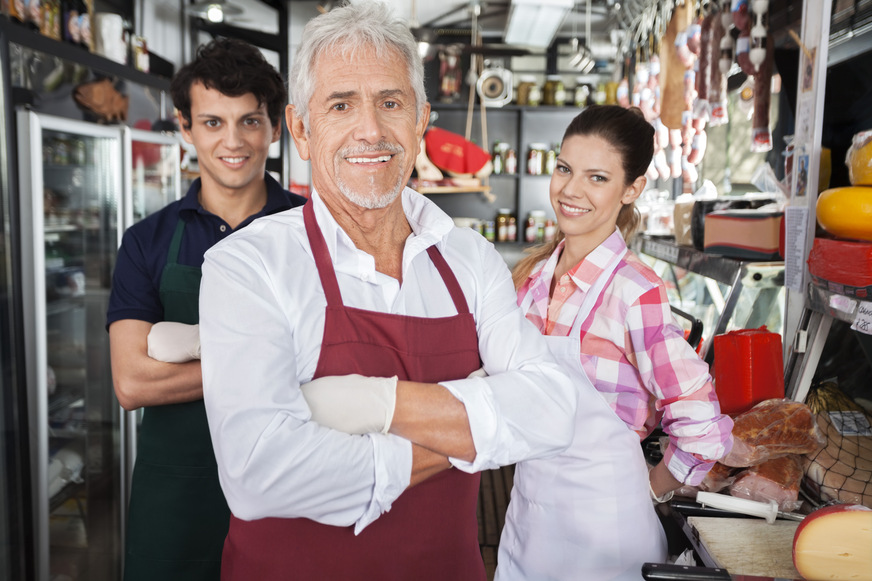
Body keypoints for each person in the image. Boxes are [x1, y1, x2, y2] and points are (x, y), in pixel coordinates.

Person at [196, 3, 576, 580]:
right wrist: (473, 423)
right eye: (341, 104)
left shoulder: (470, 258)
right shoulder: (247, 265)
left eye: (391, 103)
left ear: (421, 120)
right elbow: (258, 475)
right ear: (300, 128)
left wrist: (370, 405)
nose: (370, 130)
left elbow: (551, 411)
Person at [498, 105, 735, 580]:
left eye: (597, 178)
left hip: (606, 540)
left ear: (632, 189)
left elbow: (702, 427)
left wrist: (650, 489)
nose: (570, 190)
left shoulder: (635, 289)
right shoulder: (531, 279)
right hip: (528, 523)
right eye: (564, 169)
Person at [106, 38, 307, 581]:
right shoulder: (146, 241)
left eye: (250, 121)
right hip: (175, 494)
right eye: (213, 123)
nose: (233, 141)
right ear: (185, 127)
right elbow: (133, 382)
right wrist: (271, 359)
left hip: (288, 485)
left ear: (275, 126)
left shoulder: (313, 232)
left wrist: (187, 355)